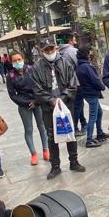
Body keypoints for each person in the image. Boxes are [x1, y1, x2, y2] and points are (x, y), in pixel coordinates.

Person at [30, 37, 86, 179]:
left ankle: (74, 161)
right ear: (42, 51)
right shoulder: (37, 68)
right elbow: (37, 89)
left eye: (51, 48)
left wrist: (63, 98)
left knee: (70, 132)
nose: (50, 51)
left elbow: (73, 83)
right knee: (51, 136)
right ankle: (55, 166)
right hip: (48, 108)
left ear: (55, 48)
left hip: (66, 105)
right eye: (46, 49)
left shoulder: (65, 62)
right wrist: (51, 100)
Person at [6, 51, 50, 166]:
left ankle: (46, 150)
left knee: (42, 127)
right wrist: (26, 103)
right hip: (24, 105)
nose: (17, 62)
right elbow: (12, 94)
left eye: (19, 59)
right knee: (28, 129)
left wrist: (36, 101)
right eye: (14, 60)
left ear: (23, 59)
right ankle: (33, 154)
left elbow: (41, 85)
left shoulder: (32, 69)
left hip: (38, 102)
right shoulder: (10, 76)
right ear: (11, 62)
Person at [76, 46, 109, 147]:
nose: (90, 54)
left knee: (99, 112)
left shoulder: (80, 66)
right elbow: (95, 80)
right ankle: (89, 139)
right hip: (91, 93)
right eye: (89, 53)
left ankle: (99, 133)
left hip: (87, 93)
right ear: (86, 54)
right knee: (93, 116)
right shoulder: (86, 66)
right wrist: (102, 87)